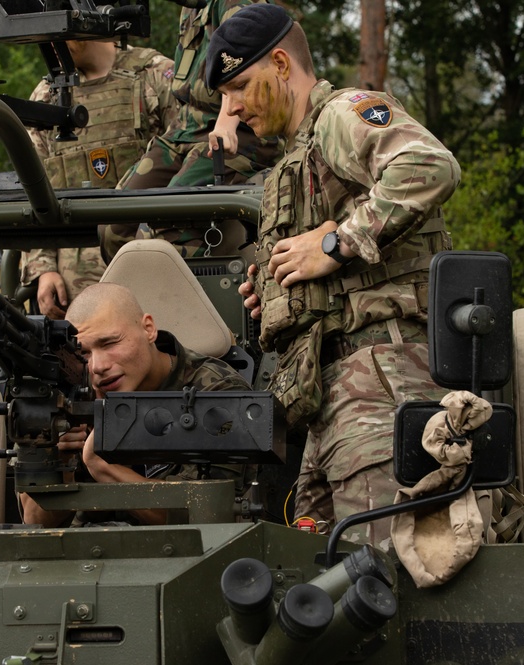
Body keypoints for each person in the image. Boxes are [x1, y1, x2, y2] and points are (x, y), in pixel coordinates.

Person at [205, 5, 461, 548]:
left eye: (240, 88)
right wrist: (277, 292)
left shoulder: (341, 115)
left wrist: (334, 245)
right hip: (330, 399)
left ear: (280, 63)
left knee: (388, 573)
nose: (231, 109)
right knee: (326, 586)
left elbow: (430, 166)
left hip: (382, 385)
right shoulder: (295, 156)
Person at [19, 282, 251, 526]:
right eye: (84, 353)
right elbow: (35, 523)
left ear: (148, 329)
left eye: (109, 343)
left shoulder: (217, 393)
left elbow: (205, 519)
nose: (98, 366)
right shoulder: (69, 397)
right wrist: (62, 464)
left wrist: (103, 467)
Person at [100, 0, 284, 262]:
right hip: (185, 130)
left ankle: (183, 297)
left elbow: (246, 62)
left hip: (240, 128)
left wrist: (227, 123)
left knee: (174, 216)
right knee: (112, 223)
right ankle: (128, 297)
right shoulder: (192, 8)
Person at [21, 39, 179, 318]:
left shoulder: (154, 75)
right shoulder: (47, 96)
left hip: (149, 265)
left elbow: (187, 160)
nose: (52, 43)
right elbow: (34, 189)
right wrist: (42, 268)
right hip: (75, 287)